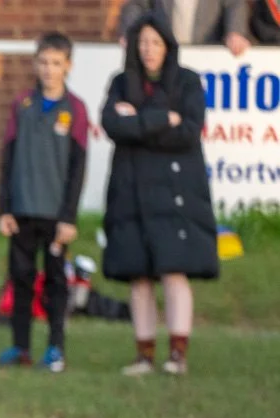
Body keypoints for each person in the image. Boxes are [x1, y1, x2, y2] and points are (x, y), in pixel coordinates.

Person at [100, 14, 219, 376]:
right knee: (138, 277)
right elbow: (112, 125)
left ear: (167, 45)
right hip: (131, 192)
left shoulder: (188, 82)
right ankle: (144, 356)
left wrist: (137, 121)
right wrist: (161, 119)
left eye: (155, 42)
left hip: (174, 193)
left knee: (173, 272)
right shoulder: (121, 82)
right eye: (143, 42)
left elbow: (188, 132)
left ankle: (178, 356)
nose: (148, 50)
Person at [0, 32, 90, 372]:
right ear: (35, 64)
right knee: (20, 278)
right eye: (44, 62)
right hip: (22, 209)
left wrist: (69, 217)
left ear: (68, 66)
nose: (49, 70)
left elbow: (78, 167)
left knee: (55, 282)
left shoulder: (75, 109)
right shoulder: (22, 105)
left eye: (56, 63)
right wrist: (4, 209)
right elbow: (7, 159)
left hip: (55, 214)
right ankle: (20, 347)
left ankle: (55, 349)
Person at [116, 0, 252, 57]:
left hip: (208, 58)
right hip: (165, 59)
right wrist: (131, 31)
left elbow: (235, 4)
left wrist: (235, 32)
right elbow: (136, 4)